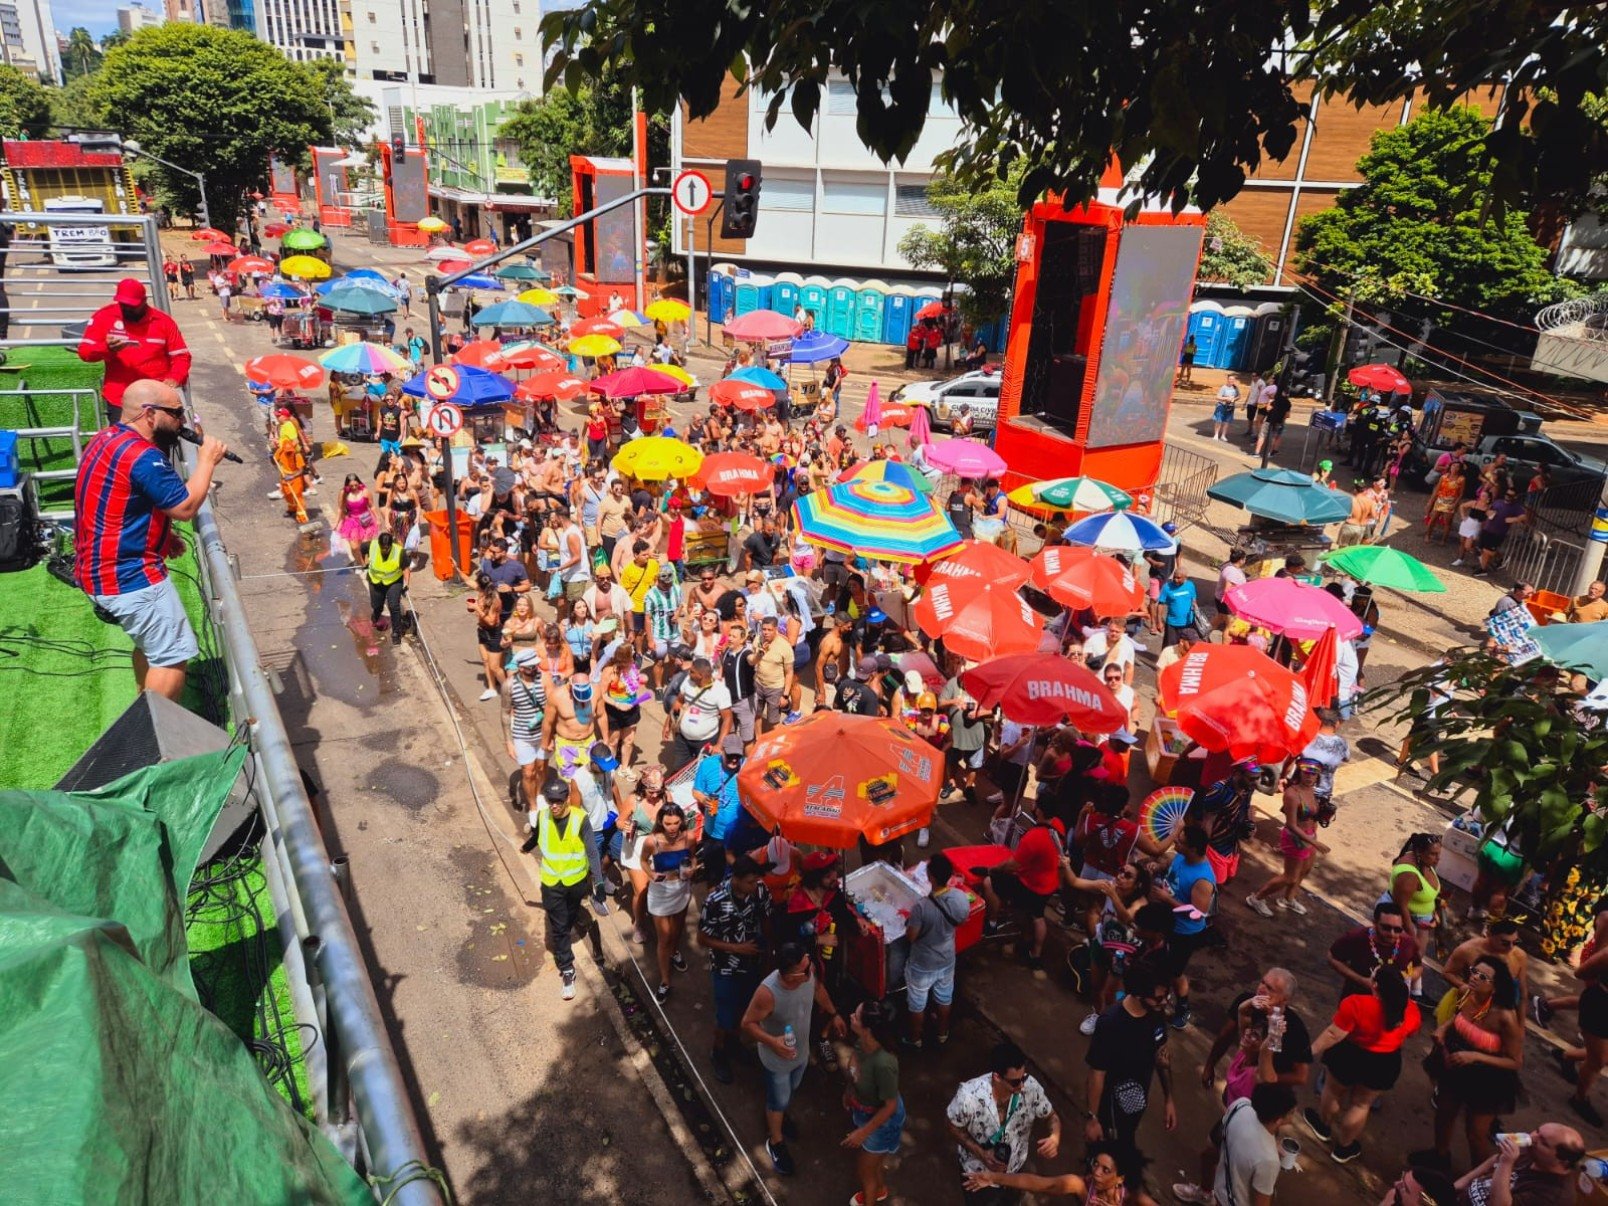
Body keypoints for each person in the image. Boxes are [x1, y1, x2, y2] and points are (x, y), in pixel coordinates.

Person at [72, 380, 227, 701]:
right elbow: (184, 506)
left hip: (97, 570)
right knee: (171, 658)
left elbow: (120, 501)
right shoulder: (145, 457)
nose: (182, 421)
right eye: (176, 413)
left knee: (152, 649)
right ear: (150, 414)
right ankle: (153, 742)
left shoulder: (106, 438)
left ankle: (144, 709)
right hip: (130, 577)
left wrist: (162, 536)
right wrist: (207, 461)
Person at [741, 942, 846, 1177]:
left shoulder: (807, 974)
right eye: (805, 970)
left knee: (789, 1091)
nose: (810, 973)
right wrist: (772, 1042)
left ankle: (780, 1114)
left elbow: (818, 990)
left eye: (809, 965)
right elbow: (747, 1023)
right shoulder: (767, 993)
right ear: (790, 976)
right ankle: (775, 1142)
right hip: (777, 1061)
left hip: (801, 1053)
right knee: (777, 1100)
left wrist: (834, 1013)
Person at [1412, 956, 1524, 1170]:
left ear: (1496, 987)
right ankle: (1440, 1156)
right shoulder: (1465, 994)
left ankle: (1478, 1179)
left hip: (1487, 1078)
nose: (1474, 977)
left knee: (1475, 1133)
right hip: (1454, 1063)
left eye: (1483, 977)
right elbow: (1457, 1017)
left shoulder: (1505, 1017)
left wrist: (1475, 1057)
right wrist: (1443, 1029)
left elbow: (1515, 1062)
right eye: (1474, 971)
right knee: (1444, 1111)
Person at [1303, 966, 1418, 1164]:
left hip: (1348, 1054)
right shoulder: (1411, 1010)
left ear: (1375, 985)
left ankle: (1323, 1127)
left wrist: (1310, 1050)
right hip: (1384, 1061)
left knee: (1332, 1090)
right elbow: (1410, 1033)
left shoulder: (1356, 1004)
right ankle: (1344, 1148)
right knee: (1361, 1103)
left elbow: (1334, 1033)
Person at [946, 1041, 1062, 1206]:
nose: (1022, 1086)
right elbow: (952, 1125)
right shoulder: (969, 1097)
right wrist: (982, 1154)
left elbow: (1052, 1116)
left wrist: (1055, 1136)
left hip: (1015, 1171)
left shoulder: (1030, 1087)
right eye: (1015, 1082)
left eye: (1024, 1077)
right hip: (978, 1175)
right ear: (997, 1077)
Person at [524, 775, 605, 1002]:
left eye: (559, 801)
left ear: (568, 798)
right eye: (551, 801)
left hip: (576, 883)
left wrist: (598, 883)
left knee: (569, 916)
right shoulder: (543, 816)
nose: (555, 806)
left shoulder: (581, 819)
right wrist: (525, 847)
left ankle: (569, 926)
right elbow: (537, 836)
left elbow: (592, 852)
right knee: (559, 927)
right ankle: (567, 968)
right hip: (551, 884)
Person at [1083, 961, 1177, 1150]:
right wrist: (1092, 1119)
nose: (1164, 1002)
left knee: (1125, 1140)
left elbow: (1161, 1056)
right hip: (1109, 1108)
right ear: (1138, 994)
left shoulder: (1156, 1013)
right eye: (1159, 998)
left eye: (1167, 996)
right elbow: (1097, 1074)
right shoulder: (1110, 1023)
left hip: (1135, 1102)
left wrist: (1169, 1099)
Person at [77, 279, 193, 420]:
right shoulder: (104, 317)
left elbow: (181, 356)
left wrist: (174, 377)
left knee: (162, 441)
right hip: (121, 400)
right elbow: (85, 352)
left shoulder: (163, 321)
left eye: (132, 306)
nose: (127, 309)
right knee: (126, 441)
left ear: (144, 300)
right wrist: (106, 348)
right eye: (123, 305)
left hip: (157, 399)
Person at [975, 794, 1063, 970]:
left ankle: (992, 923)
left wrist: (993, 870)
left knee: (988, 882)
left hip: (1032, 884)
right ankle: (1036, 954)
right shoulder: (1059, 827)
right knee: (1038, 916)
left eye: (1035, 803)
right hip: (1050, 883)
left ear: (1039, 810)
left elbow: (1012, 865)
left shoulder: (1034, 837)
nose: (1032, 803)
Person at [699, 854, 766, 1084]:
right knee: (725, 1016)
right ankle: (718, 1052)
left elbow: (766, 917)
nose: (754, 886)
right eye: (749, 881)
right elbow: (703, 939)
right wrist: (737, 948)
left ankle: (734, 1043)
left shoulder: (759, 891)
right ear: (735, 878)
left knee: (744, 1010)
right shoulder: (715, 900)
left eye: (755, 881)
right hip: (725, 968)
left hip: (752, 965)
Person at [904, 851, 972, 1049]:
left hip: (923, 964)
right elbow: (961, 920)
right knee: (944, 997)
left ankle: (915, 1038)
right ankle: (942, 1033)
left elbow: (911, 937)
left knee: (917, 1002)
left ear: (930, 877)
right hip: (947, 959)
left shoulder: (921, 907)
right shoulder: (960, 897)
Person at [1152, 824, 1218, 1029]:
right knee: (1159, 963)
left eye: (1180, 842)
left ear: (1194, 849)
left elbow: (1198, 914)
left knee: (1175, 973)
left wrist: (1167, 899)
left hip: (1183, 932)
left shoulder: (1203, 880)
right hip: (1167, 921)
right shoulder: (1182, 857)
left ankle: (1182, 1008)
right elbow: (1171, 866)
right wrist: (1159, 867)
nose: (1175, 842)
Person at [1246, 758, 1330, 916]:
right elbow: (1291, 824)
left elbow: (1312, 815)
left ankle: (1288, 899)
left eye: (1313, 774)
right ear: (1300, 772)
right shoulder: (1292, 794)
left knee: (1305, 870)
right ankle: (1256, 898)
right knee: (1289, 877)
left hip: (1310, 835)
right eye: (1306, 773)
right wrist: (1315, 842)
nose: (1309, 777)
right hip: (1296, 839)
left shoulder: (1313, 790)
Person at [842, 999, 906, 1206]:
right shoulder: (862, 1043)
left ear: (868, 1029)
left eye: (856, 1016)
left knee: (866, 1172)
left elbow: (890, 1106)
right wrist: (849, 1091)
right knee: (874, 1166)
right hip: (865, 1112)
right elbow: (854, 1069)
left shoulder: (884, 1063)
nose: (851, 1016)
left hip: (881, 1123)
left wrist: (863, 1132)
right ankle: (879, 1190)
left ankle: (871, 1197)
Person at [641, 801, 699, 1001]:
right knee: (664, 937)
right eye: (668, 824)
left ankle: (674, 952)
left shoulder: (690, 837)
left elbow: (693, 858)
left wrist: (692, 868)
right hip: (660, 893)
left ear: (682, 821)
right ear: (660, 823)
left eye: (676, 823)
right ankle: (665, 981)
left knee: (676, 930)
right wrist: (651, 874)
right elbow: (642, 861)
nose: (672, 828)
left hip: (682, 889)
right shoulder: (652, 842)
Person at [1451, 1124, 1585, 1206]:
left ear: (1562, 1161)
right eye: (1537, 1131)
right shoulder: (1534, 1154)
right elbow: (1493, 1160)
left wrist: (1506, 1163)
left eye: (1543, 1142)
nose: (1532, 1138)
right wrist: (1460, 1184)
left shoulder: (1555, 1196)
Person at [1213, 1084, 1297, 1206]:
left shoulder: (1241, 1105)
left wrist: (1268, 1146)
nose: (1294, 1114)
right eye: (1292, 1112)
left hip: (1220, 1188)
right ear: (1279, 1120)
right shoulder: (1269, 1161)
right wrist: (1268, 1151)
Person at [1389, 833, 1449, 990]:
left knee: (1415, 960)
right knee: (1407, 959)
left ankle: (1415, 992)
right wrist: (1411, 936)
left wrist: (1434, 915)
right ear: (1420, 852)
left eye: (1439, 854)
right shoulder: (1409, 875)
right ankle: (1402, 991)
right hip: (1408, 920)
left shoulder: (1423, 862)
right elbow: (1401, 906)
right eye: (1433, 854)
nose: (1437, 859)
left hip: (1421, 921)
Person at [1329, 903, 1420, 1001]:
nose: (1392, 934)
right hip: (1356, 1003)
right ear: (1374, 923)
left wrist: (1403, 979)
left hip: (1391, 1007)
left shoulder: (1408, 943)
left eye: (1397, 929)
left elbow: (1418, 966)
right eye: (1386, 928)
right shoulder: (1357, 937)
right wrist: (1361, 980)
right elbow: (1332, 957)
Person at [664, 655, 732, 768]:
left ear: (701, 675)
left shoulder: (720, 691)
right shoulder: (688, 681)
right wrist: (668, 724)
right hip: (683, 738)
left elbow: (728, 719)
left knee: (704, 771)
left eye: (692, 672)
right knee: (679, 770)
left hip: (706, 741)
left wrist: (719, 745)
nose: (688, 673)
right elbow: (679, 702)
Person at [366, 531, 409, 643]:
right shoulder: (372, 546)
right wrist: (364, 563)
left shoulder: (399, 552)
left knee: (394, 606)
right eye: (383, 548)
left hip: (394, 581)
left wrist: (407, 584)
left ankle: (396, 633)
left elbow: (406, 569)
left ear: (391, 545)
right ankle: (376, 615)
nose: (385, 550)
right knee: (377, 605)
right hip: (375, 581)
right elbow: (362, 549)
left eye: (387, 548)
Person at [1157, 564, 1199, 647]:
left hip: (1188, 623)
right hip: (1172, 624)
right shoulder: (1167, 587)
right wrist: (1159, 622)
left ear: (1185, 577)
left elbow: (1194, 600)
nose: (1175, 580)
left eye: (1178, 578)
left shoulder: (1190, 585)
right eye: (1174, 577)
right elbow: (1161, 604)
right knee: (1169, 648)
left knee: (1184, 648)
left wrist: (1196, 610)